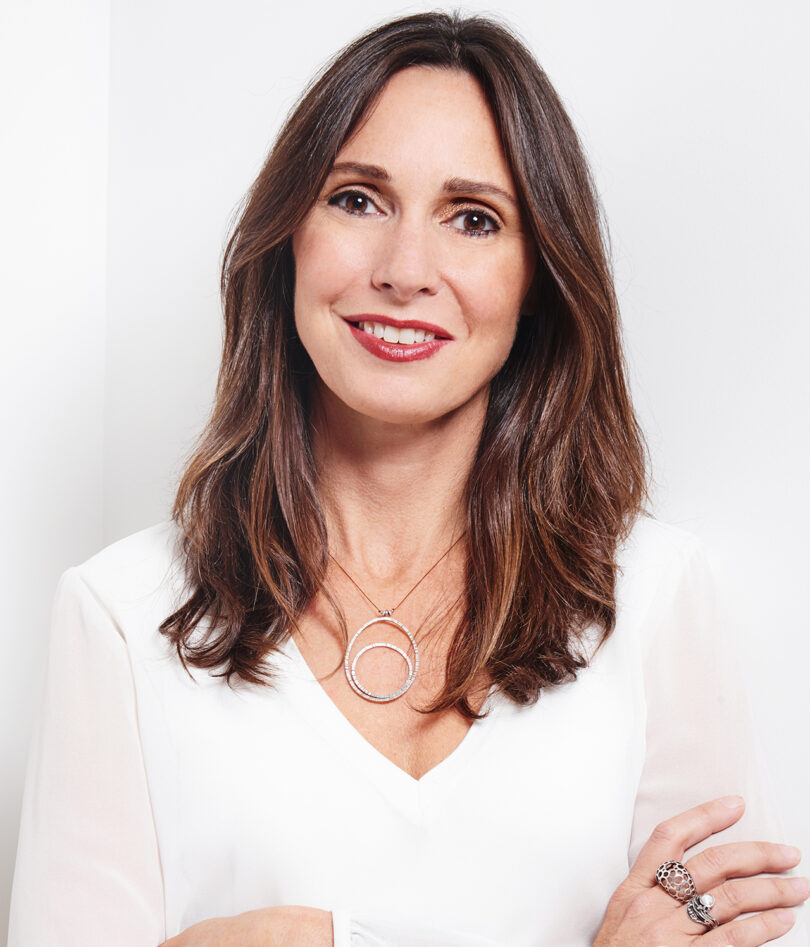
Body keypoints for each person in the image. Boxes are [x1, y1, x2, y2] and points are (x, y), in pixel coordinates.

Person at [7, 10, 808, 947]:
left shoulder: (657, 598)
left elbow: (726, 919)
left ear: (537, 278)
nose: (404, 270)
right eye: (357, 199)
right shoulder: (120, 615)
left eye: (473, 219)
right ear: (288, 239)